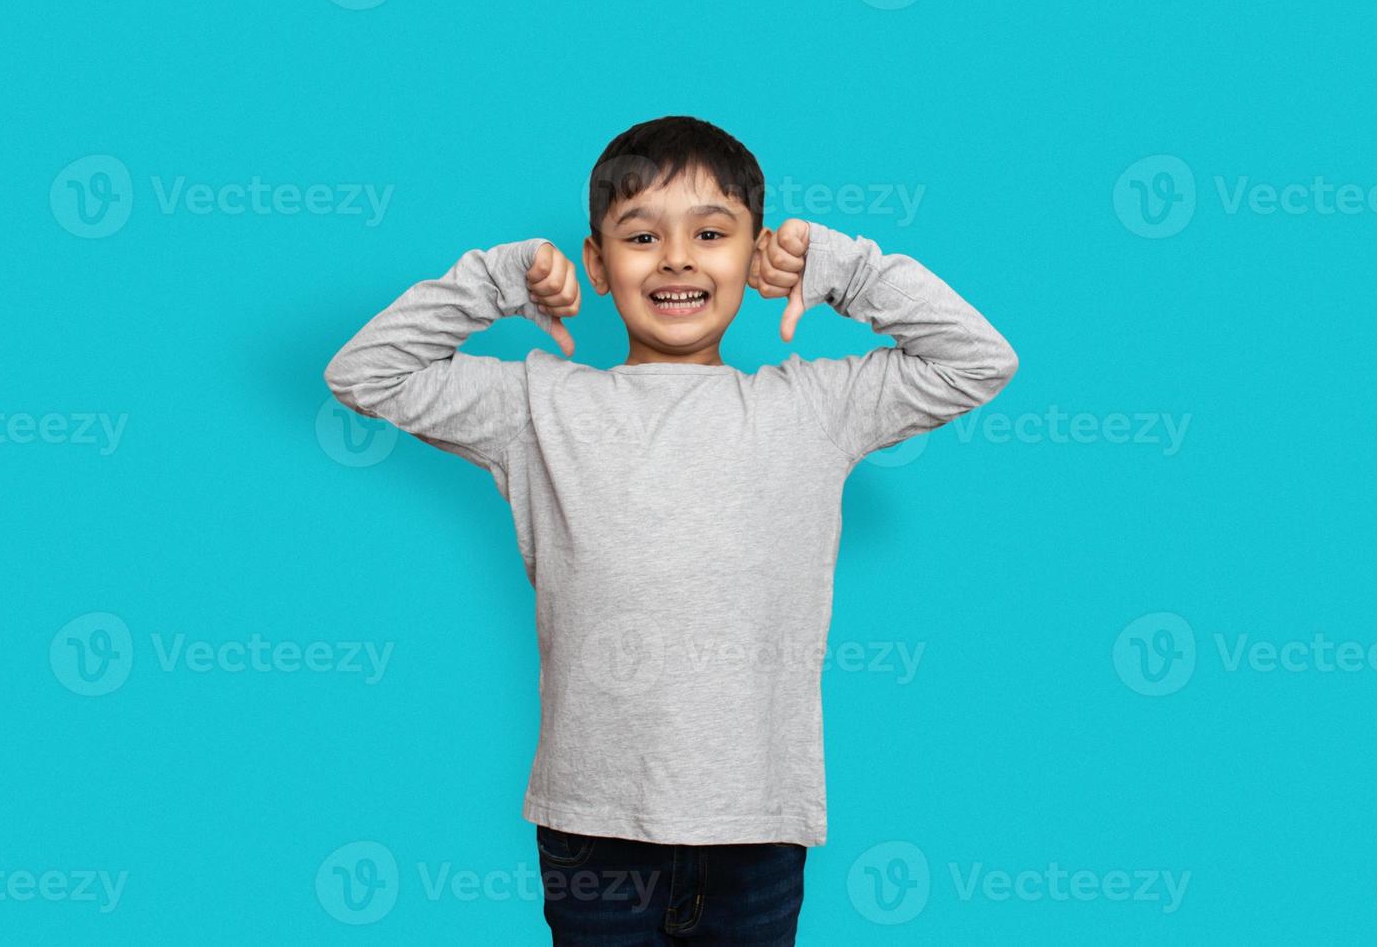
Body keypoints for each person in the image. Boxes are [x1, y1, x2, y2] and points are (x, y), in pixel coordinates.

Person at [323, 115, 1019, 944]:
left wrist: (843, 270)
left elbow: (980, 360)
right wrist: (500, 280)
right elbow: (362, 372)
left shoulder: (813, 409)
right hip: (593, 826)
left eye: (713, 234)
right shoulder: (537, 408)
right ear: (598, 264)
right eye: (643, 235)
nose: (678, 258)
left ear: (757, 254)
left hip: (757, 826)